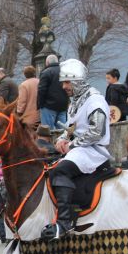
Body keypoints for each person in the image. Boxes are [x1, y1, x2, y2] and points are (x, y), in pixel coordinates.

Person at [41, 59, 111, 241]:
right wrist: (63, 139)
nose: (64, 87)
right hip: (81, 149)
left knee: (60, 170)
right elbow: (71, 127)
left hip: (93, 151)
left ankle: (64, 223)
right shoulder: (76, 102)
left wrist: (71, 145)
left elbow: (97, 130)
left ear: (77, 81)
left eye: (67, 82)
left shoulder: (94, 99)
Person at [37, 54, 69, 131]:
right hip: (63, 106)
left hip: (48, 106)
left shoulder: (46, 72)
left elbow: (42, 90)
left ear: (47, 62)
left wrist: (40, 104)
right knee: (62, 131)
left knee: (48, 131)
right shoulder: (64, 71)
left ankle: (50, 143)